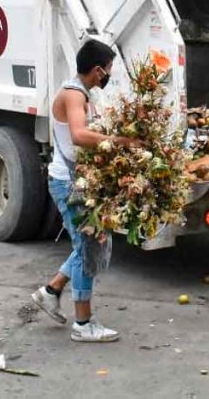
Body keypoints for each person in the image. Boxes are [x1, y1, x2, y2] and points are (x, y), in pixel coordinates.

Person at [30, 39, 141, 343]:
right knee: (87, 246)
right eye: (107, 71)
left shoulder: (80, 94)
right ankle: (83, 323)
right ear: (96, 70)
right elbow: (79, 136)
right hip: (69, 184)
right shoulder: (74, 95)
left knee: (88, 243)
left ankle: (50, 292)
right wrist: (120, 142)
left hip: (79, 182)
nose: (107, 76)